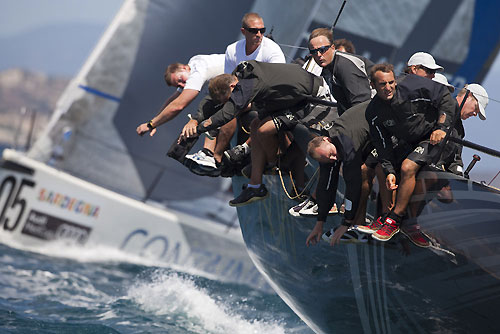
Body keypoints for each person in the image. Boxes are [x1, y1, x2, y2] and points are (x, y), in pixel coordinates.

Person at [193, 60, 330, 206]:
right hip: (294, 99)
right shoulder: (244, 76)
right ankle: (255, 186)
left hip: (314, 99)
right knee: (255, 124)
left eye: (230, 98)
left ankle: (274, 163)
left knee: (264, 130)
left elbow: (228, 113)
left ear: (233, 86)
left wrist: (198, 129)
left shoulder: (247, 84)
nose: (233, 101)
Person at [356, 63, 456, 242]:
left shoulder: (411, 84)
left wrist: (442, 127)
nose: (388, 88)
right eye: (382, 84)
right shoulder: (373, 112)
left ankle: (395, 220)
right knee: (381, 167)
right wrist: (389, 171)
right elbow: (382, 144)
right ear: (372, 85)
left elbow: (445, 97)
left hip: (434, 138)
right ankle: (385, 216)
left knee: (407, 167)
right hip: (409, 141)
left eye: (391, 82)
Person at [185, 12, 286, 170]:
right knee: (220, 99)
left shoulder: (272, 51)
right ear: (243, 31)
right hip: (242, 92)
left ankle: (215, 156)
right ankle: (207, 152)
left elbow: (278, 85)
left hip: (265, 97)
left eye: (262, 30)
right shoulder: (233, 49)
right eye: (254, 31)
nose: (259, 34)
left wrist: (243, 101)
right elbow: (229, 79)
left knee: (232, 107)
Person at [304, 100, 375, 247]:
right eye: (328, 158)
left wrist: (346, 222)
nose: (334, 158)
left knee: (361, 172)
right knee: (343, 172)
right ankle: (355, 223)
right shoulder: (328, 146)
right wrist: (320, 222)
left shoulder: (346, 145)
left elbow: (352, 185)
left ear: (327, 140)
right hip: (370, 131)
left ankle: (360, 223)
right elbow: (326, 182)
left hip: (389, 122)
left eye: (332, 154)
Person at [136, 54, 224, 148]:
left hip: (238, 74)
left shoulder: (196, 74)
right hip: (234, 72)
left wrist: (151, 125)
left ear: (184, 68)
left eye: (180, 79)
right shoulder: (193, 61)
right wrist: (154, 121)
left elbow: (177, 106)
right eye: (178, 85)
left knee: (213, 107)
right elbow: (173, 99)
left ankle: (210, 153)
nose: (182, 85)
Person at [308, 28, 373, 115]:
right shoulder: (327, 68)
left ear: (333, 47)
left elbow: (361, 104)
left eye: (322, 50)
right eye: (314, 52)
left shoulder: (345, 66)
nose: (318, 55)